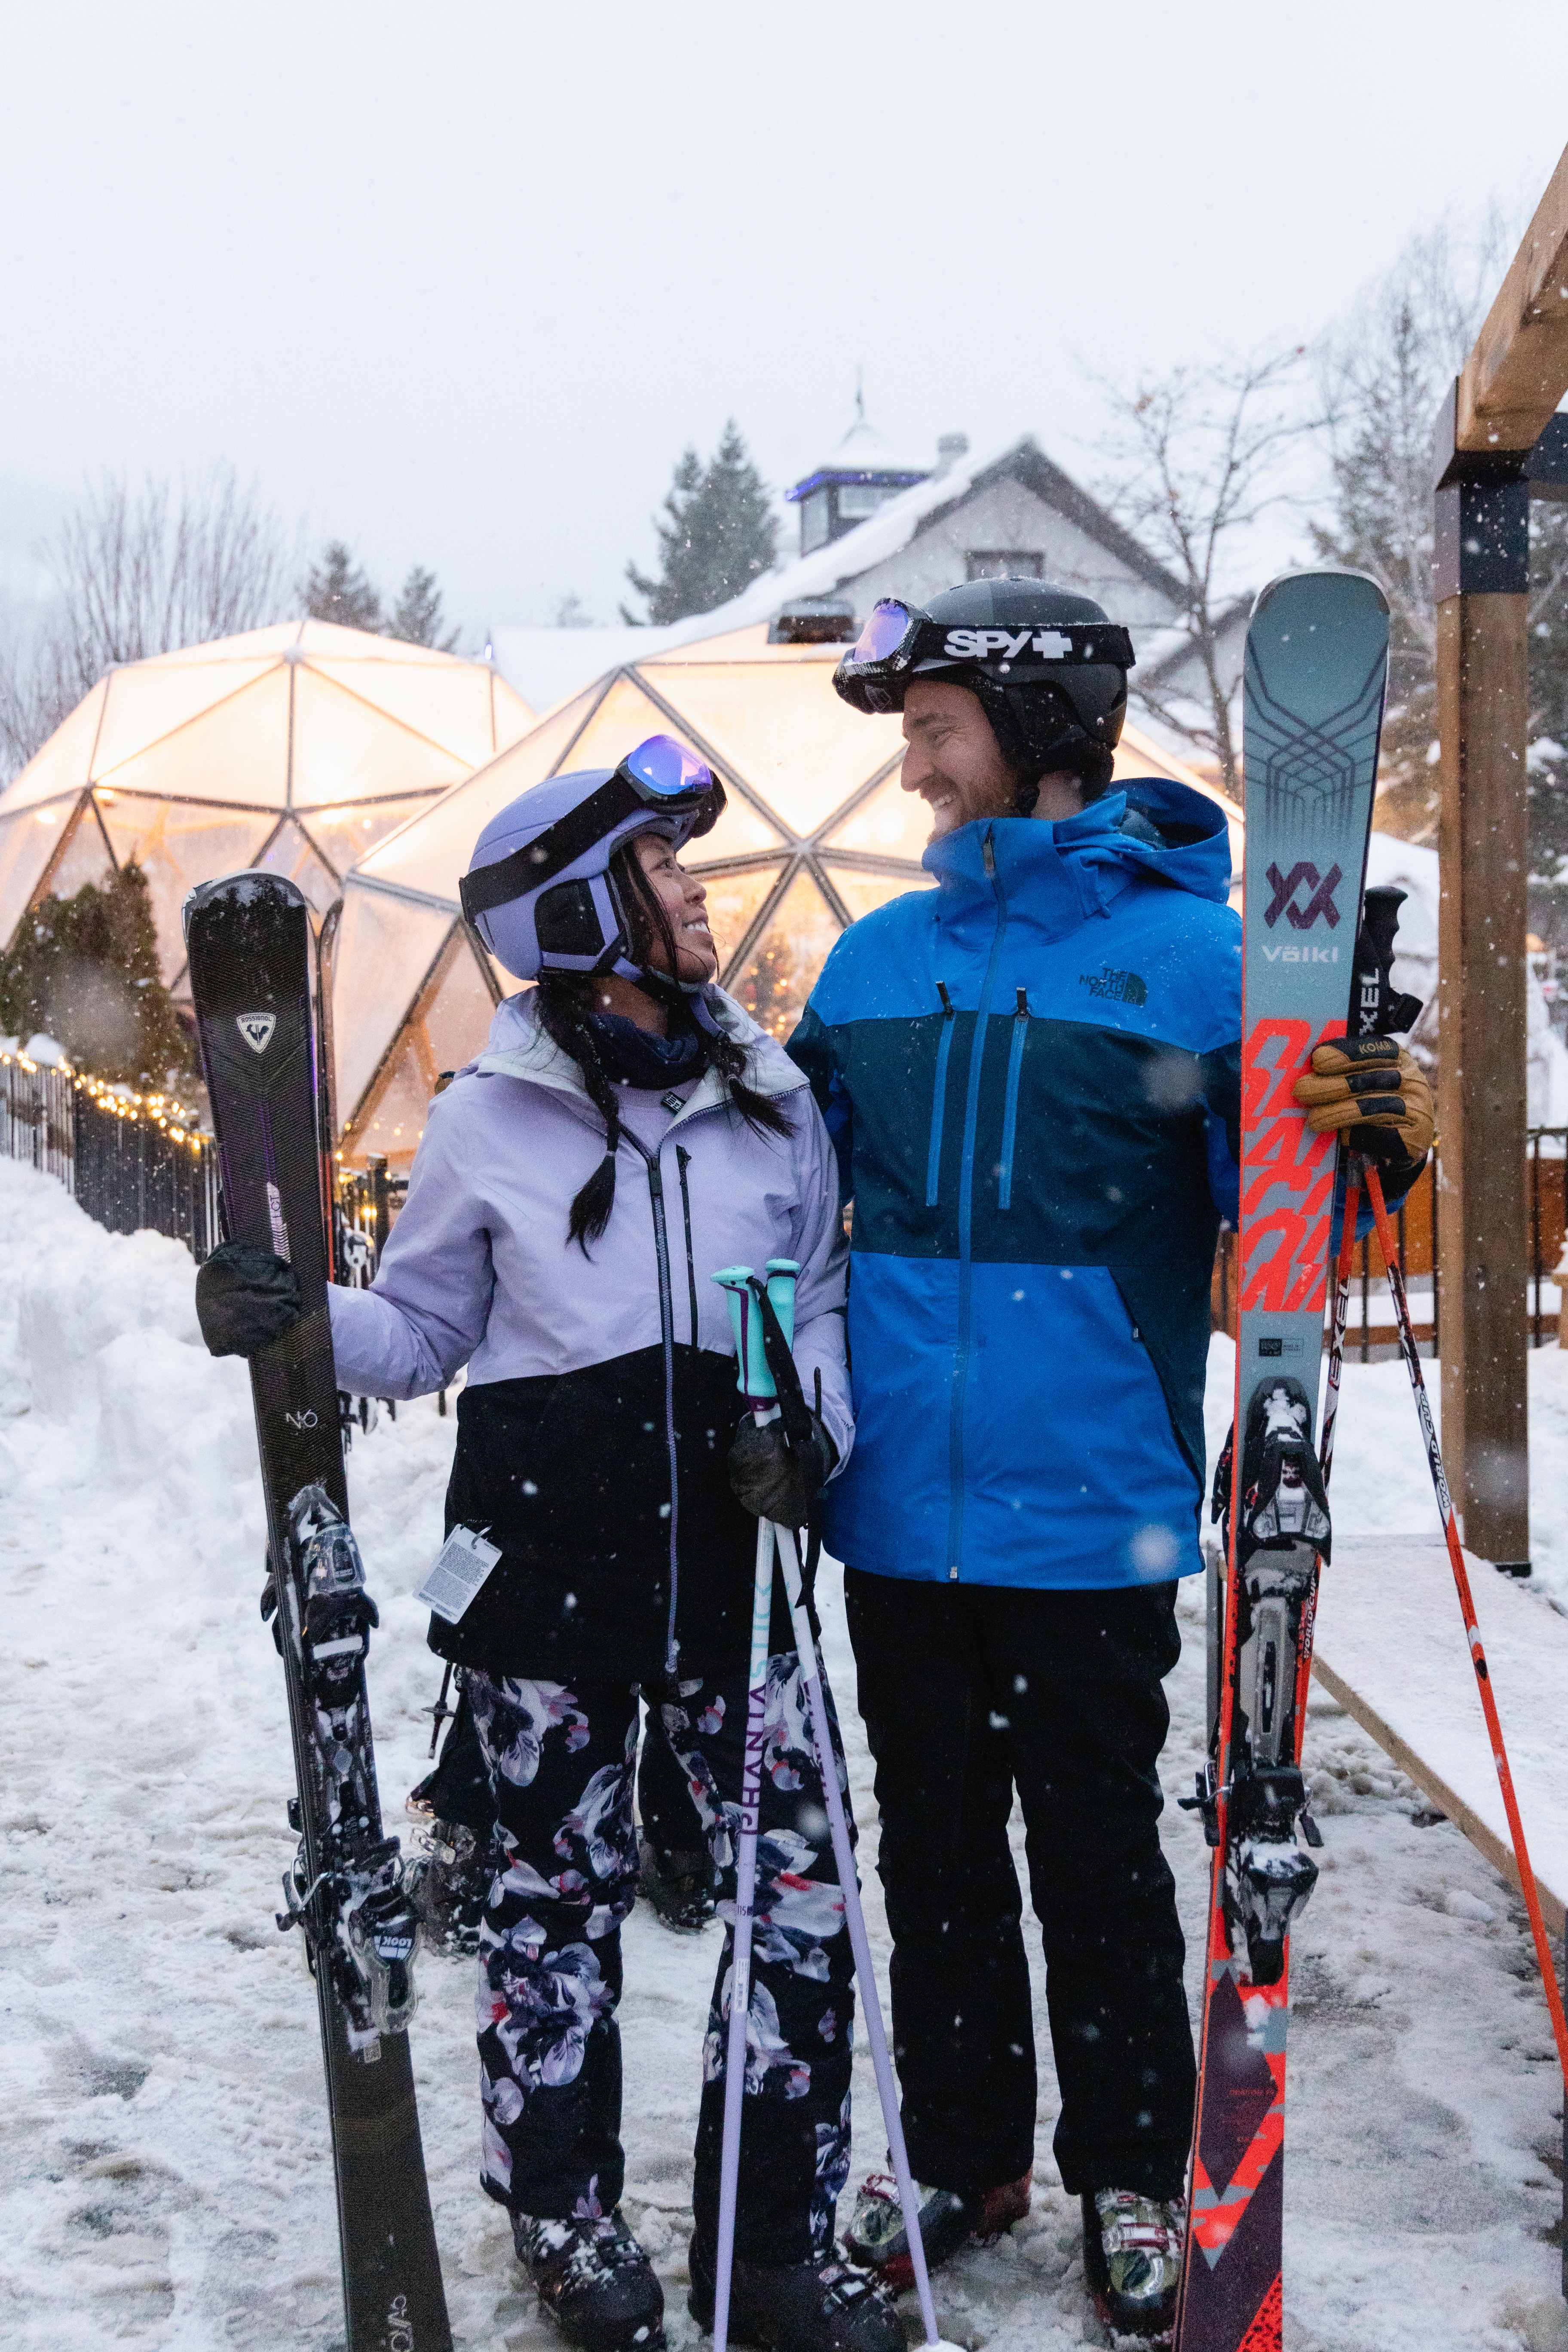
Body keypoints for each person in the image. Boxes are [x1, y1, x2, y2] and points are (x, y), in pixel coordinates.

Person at [195, 736, 904, 2352]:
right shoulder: (491, 1120)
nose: (699, 893)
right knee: (551, 1904)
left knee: (798, 1894)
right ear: (586, 906)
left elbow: (827, 1305)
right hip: (544, 1577)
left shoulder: (771, 1099)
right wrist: (293, 1316)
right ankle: (570, 2223)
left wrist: (814, 1428)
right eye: (665, 870)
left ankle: (770, 2240)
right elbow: (428, 1329)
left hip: (736, 1574)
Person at [785, 581, 1429, 2340]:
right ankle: (969, 2155)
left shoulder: (1201, 962)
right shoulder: (872, 961)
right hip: (897, 1504)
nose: (912, 765)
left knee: (1093, 1852)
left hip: (1093, 1508)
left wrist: (1379, 1135)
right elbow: (775, 1187)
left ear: (1041, 730)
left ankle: (1134, 2167)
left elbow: (1293, 1229)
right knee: (933, 1854)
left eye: (937, 727)